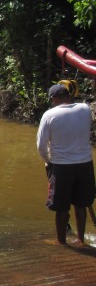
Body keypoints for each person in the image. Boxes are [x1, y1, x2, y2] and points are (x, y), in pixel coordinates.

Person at [36, 83, 95, 245]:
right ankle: (80, 239)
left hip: (61, 166)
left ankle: (61, 243)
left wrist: (48, 161)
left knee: (61, 208)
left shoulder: (49, 115)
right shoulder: (85, 109)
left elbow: (41, 146)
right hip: (85, 164)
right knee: (81, 205)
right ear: (68, 95)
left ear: (53, 99)